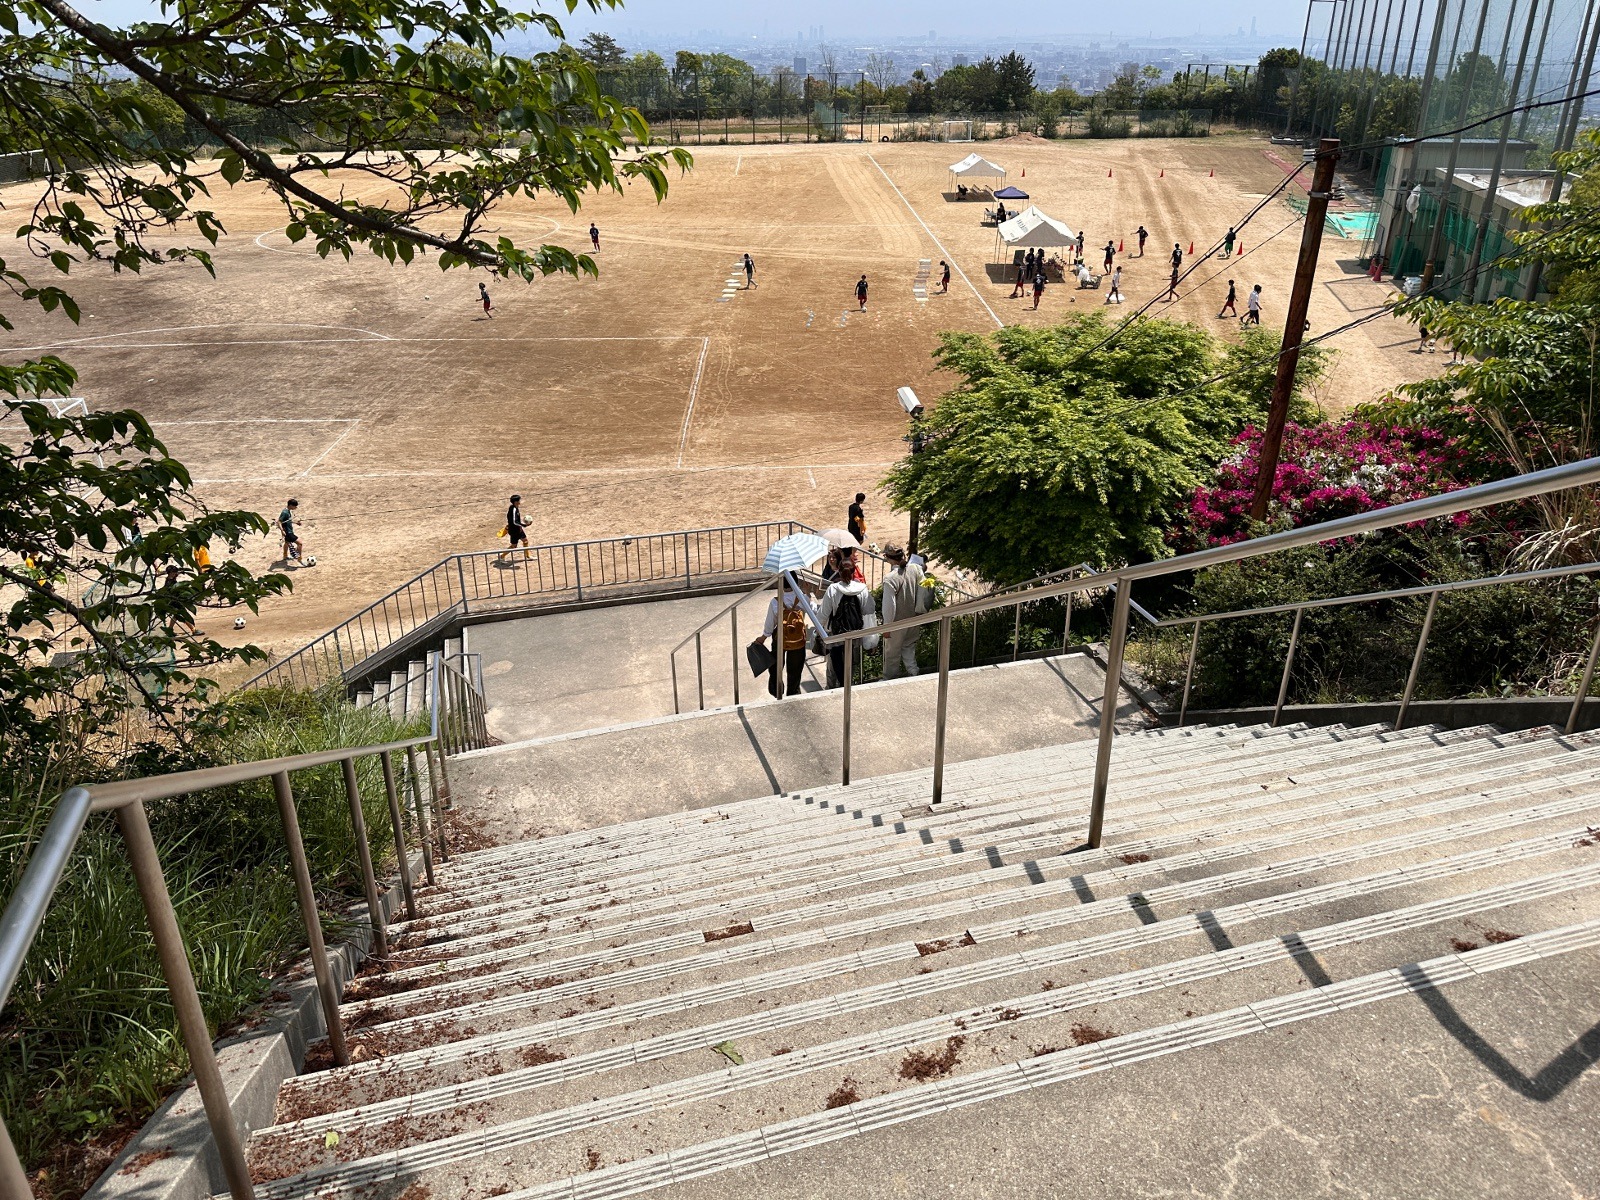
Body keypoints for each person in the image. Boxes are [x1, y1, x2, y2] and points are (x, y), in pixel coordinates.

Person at [816, 547, 878, 688]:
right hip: (855, 634)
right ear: (853, 571)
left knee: (834, 666)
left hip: (836, 635)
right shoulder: (862, 589)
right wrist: (871, 640)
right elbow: (869, 612)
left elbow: (823, 614)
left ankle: (833, 689)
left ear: (838, 570)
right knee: (851, 665)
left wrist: (818, 633)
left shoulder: (833, 589)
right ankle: (848, 687)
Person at [878, 543, 927, 679]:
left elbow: (889, 607)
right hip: (914, 618)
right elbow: (923, 589)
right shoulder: (916, 569)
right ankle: (914, 672)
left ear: (887, 558)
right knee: (909, 648)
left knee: (892, 654)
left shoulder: (890, 579)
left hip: (897, 623)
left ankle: (888, 679)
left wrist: (887, 627)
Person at [758, 579, 810, 697]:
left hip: (780, 637)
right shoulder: (802, 598)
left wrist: (764, 637)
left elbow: (770, 623)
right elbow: (811, 610)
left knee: (776, 666)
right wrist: (807, 593)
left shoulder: (775, 602)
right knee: (795, 669)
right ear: (795, 582)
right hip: (797, 639)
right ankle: (793, 692)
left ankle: (776, 690)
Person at [499, 493, 530, 564]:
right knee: (514, 546)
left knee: (525, 541)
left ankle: (528, 556)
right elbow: (514, 521)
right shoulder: (513, 509)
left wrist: (521, 526)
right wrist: (523, 525)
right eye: (519, 500)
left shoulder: (515, 507)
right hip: (514, 531)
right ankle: (502, 556)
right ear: (516, 502)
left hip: (518, 529)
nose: (520, 501)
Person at [277, 498, 307, 564]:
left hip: (288, 531)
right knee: (300, 543)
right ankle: (299, 559)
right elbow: (279, 522)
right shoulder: (285, 512)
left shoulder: (288, 511)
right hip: (288, 532)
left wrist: (296, 522)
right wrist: (282, 531)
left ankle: (285, 556)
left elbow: (287, 521)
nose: (296, 507)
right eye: (295, 506)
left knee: (287, 543)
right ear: (290, 505)